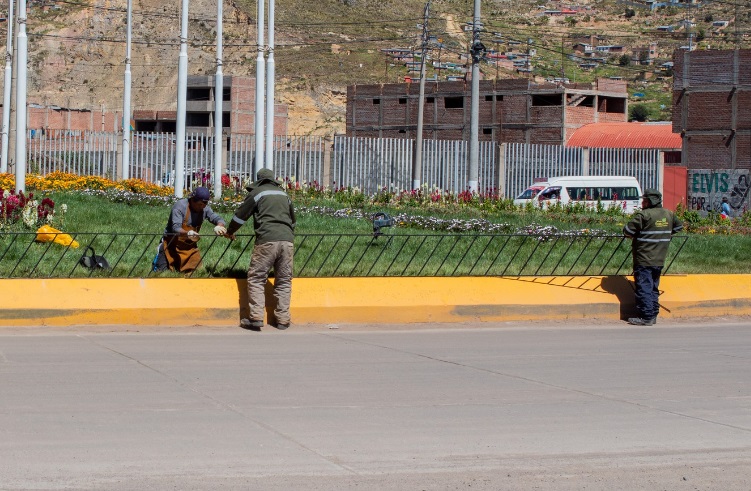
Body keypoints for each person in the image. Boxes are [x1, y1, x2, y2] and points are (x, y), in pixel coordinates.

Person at [226, 168, 296, 330]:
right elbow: (293, 220)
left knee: (257, 278)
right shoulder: (284, 194)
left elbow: (240, 216)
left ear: (259, 180)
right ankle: (283, 320)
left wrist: (230, 232)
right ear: (273, 180)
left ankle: (256, 317)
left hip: (267, 240)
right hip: (288, 240)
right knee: (284, 280)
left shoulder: (257, 193)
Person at [623, 189, 683, 326]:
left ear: (650, 201)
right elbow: (678, 227)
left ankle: (646, 316)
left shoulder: (644, 215)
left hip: (644, 258)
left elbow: (628, 231)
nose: (642, 202)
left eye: (644, 200)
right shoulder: (669, 214)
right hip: (659, 258)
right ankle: (653, 314)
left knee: (644, 287)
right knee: (653, 288)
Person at [154, 186, 228, 273]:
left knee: (196, 274)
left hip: (189, 247)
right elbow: (176, 228)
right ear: (192, 200)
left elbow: (218, 219)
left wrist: (219, 226)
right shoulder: (180, 206)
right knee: (161, 273)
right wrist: (187, 233)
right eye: (200, 204)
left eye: (204, 204)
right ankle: (161, 253)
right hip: (171, 245)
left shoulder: (205, 209)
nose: (202, 207)